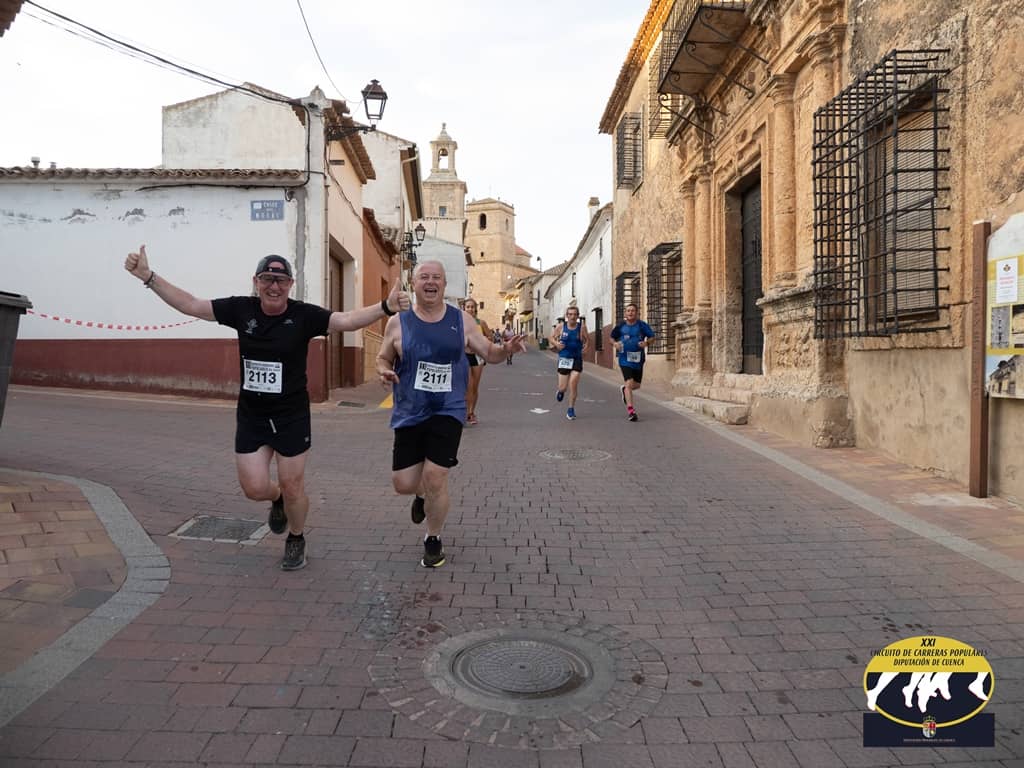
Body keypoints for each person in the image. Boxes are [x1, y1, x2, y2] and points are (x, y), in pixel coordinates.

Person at [124, 245, 410, 571]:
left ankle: (296, 537)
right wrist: (148, 276)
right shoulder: (241, 309)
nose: (274, 286)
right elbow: (191, 305)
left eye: (281, 281)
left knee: (293, 485)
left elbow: (345, 320)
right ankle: (276, 500)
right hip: (253, 416)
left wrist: (385, 306)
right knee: (254, 488)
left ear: (290, 285)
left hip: (291, 416)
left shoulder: (303, 316)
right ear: (256, 282)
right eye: (267, 279)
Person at [376, 260, 526, 568]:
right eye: (424, 277)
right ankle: (421, 496)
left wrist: (506, 350)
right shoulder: (398, 322)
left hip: (448, 409)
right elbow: (383, 358)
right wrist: (383, 370)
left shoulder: (462, 320)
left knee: (436, 476)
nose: (430, 282)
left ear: (445, 285)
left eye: (437, 278)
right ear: (414, 283)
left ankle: (433, 538)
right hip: (410, 410)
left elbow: (489, 353)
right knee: (404, 483)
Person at [610, 303, 656, 422]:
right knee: (629, 382)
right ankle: (631, 411)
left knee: (636, 385)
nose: (630, 312)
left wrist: (646, 343)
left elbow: (652, 337)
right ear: (625, 313)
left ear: (637, 313)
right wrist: (615, 344)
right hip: (624, 359)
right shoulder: (621, 326)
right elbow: (611, 338)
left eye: (633, 311)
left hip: (638, 359)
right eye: (628, 311)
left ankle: (625, 389)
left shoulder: (642, 325)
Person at [550, 305, 589, 420]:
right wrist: (556, 344)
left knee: (573, 384)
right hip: (564, 359)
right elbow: (551, 337)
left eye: (575, 314)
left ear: (578, 316)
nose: (572, 317)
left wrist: (586, 347)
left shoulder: (582, 327)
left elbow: (587, 340)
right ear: (567, 316)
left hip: (577, 358)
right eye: (570, 314)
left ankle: (571, 409)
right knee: (563, 387)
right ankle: (560, 391)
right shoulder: (561, 326)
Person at [462, 298, 491, 426]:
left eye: (472, 307)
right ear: (464, 308)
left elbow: (490, 337)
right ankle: (465, 413)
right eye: (468, 307)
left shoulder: (481, 323)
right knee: (468, 386)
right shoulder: (460, 322)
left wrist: (481, 342)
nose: (470, 309)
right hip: (464, 356)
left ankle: (471, 412)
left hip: (478, 356)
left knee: (474, 387)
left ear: (475, 309)